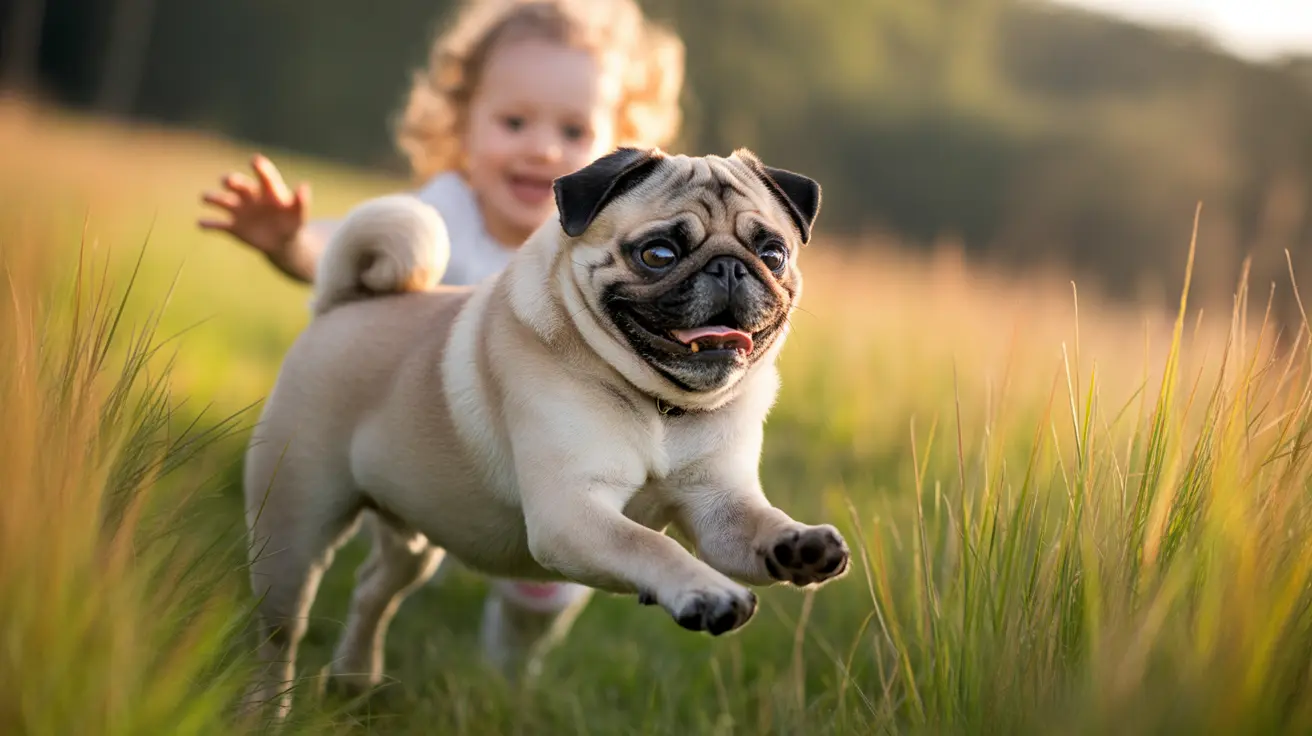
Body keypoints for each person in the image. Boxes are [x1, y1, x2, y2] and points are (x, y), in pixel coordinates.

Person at [197, 0, 685, 680]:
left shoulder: (611, 250)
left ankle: (511, 658)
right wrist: (291, 242)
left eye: (573, 129)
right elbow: (348, 245)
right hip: (432, 446)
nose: (541, 147)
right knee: (401, 546)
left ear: (622, 145)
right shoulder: (447, 212)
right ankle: (349, 627)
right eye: (513, 121)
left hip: (557, 469)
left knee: (549, 586)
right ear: (462, 124)